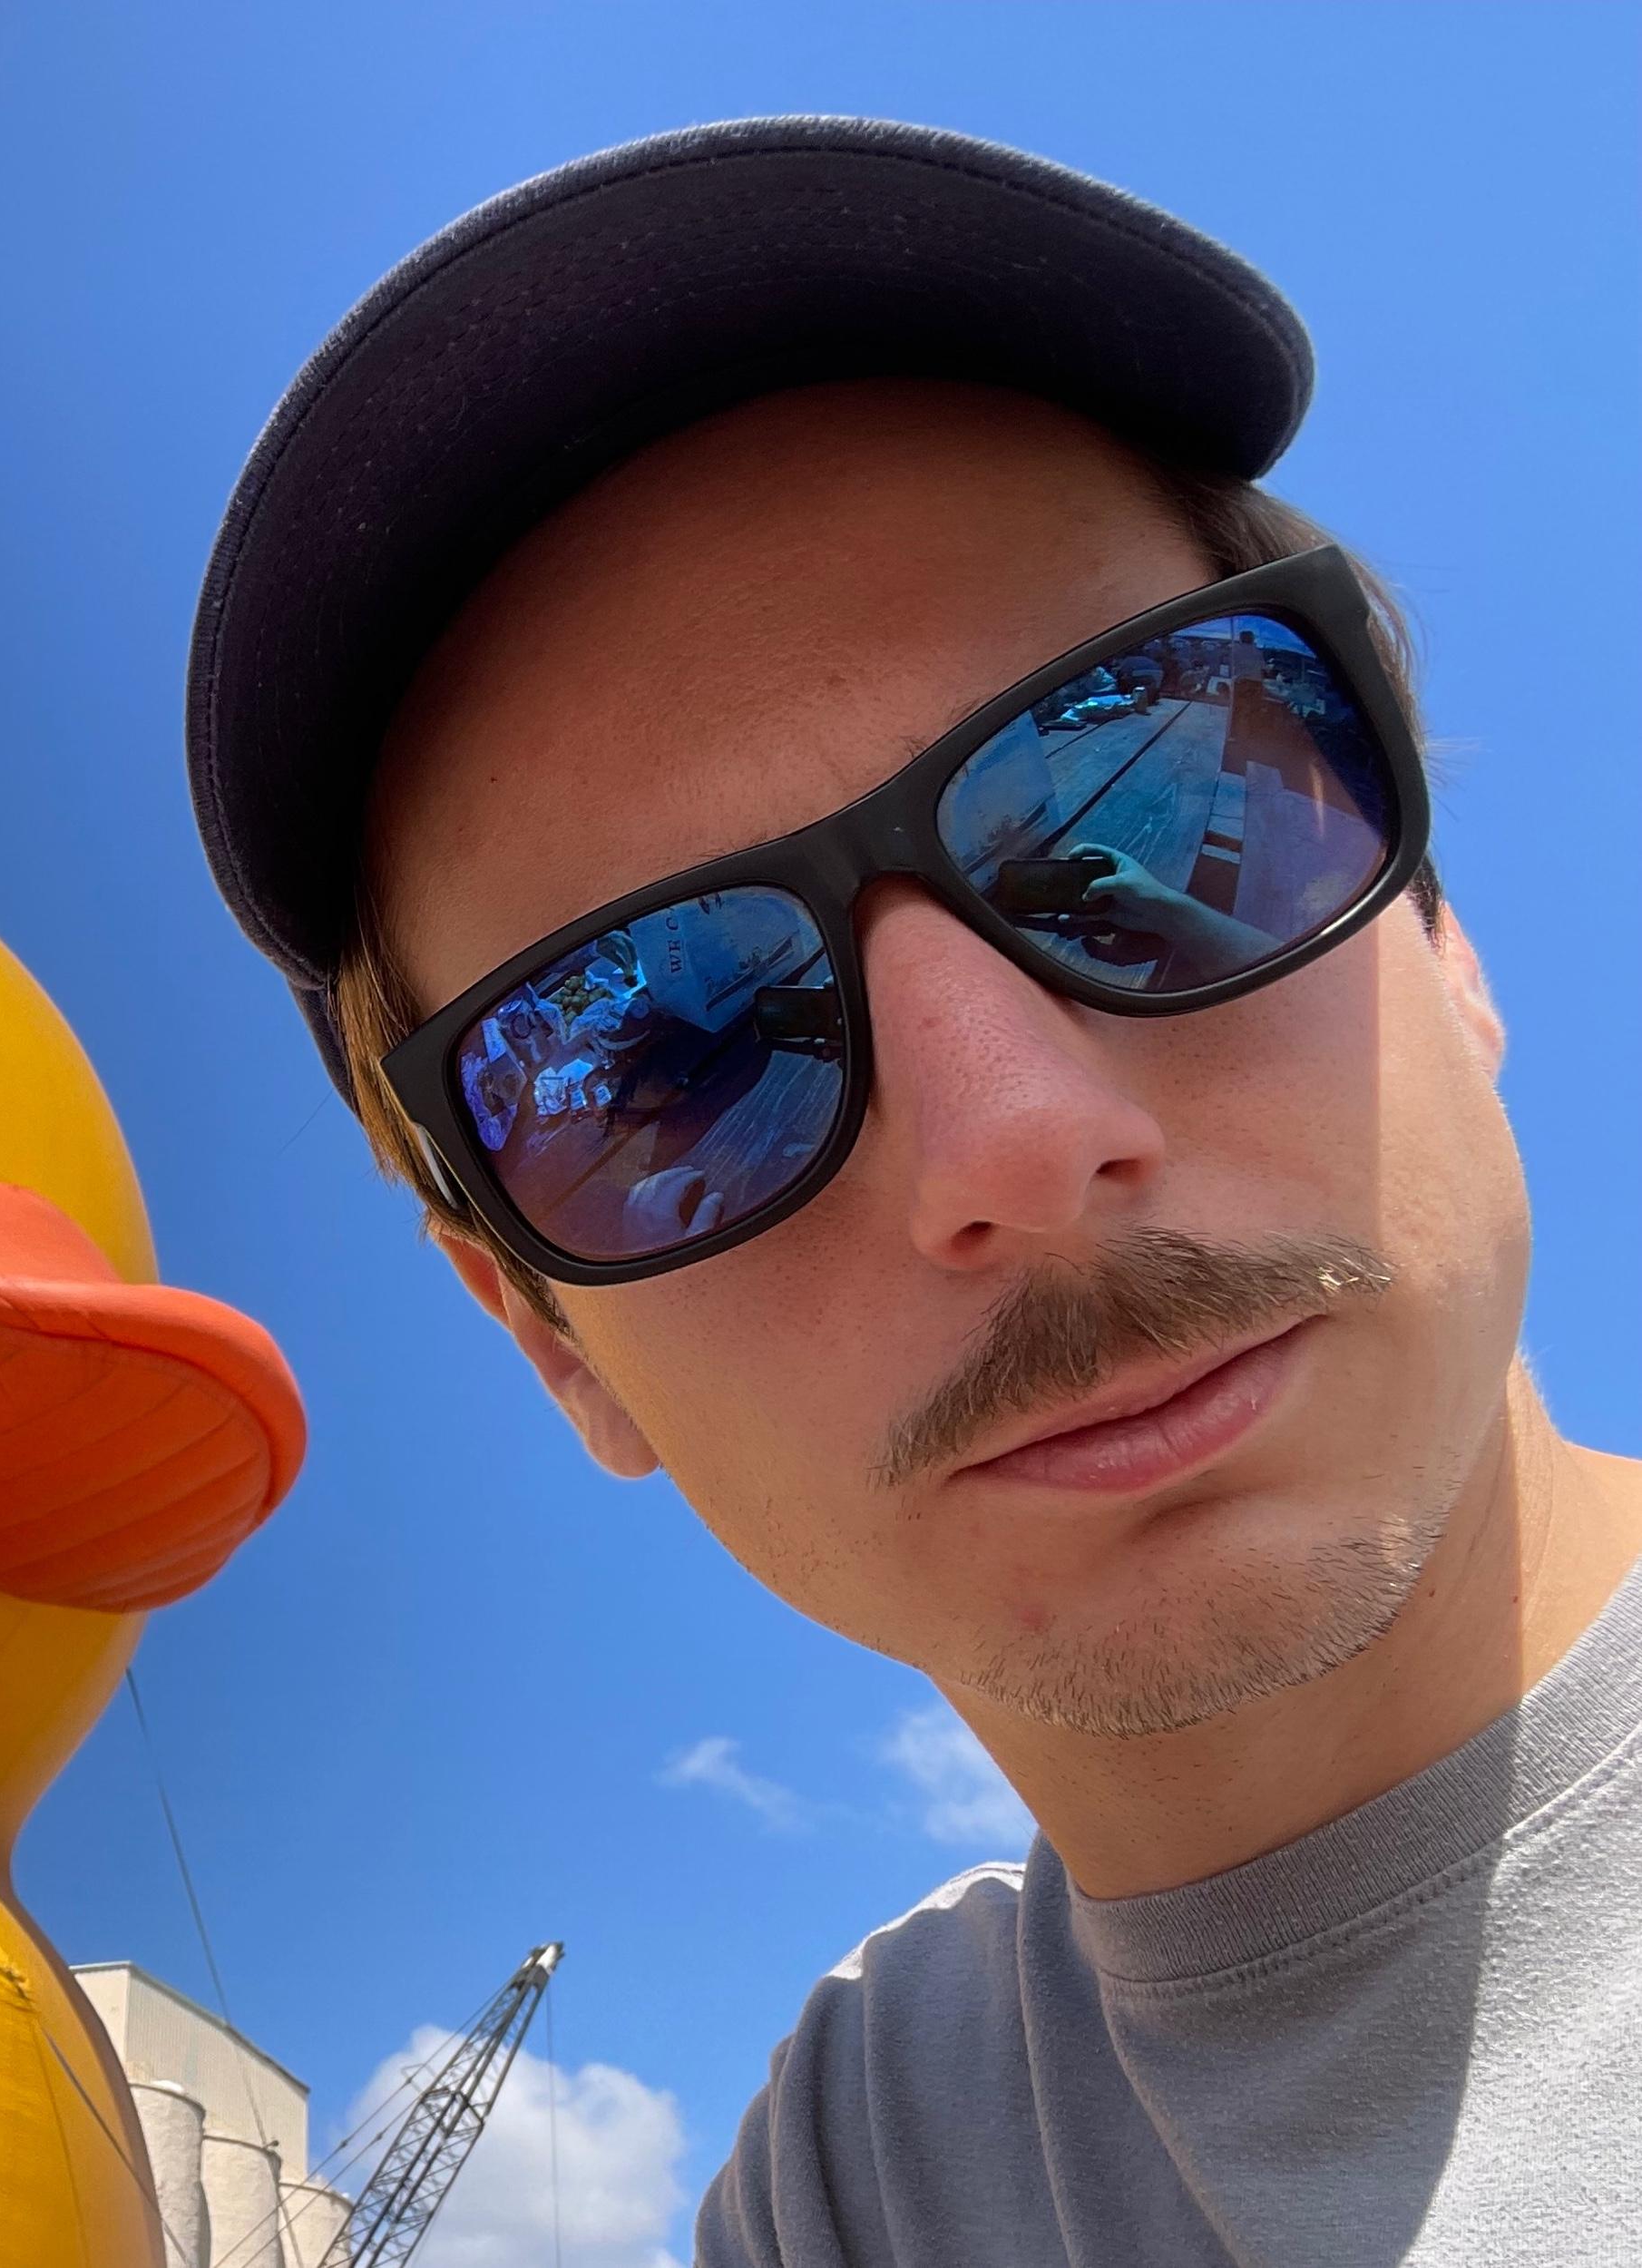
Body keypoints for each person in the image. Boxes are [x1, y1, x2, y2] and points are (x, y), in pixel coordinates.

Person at [184, 118, 1642, 2263]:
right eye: (668, 1062)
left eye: (1149, 820)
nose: (1012, 1143)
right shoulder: (863, 2160)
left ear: (1441, 934)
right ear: (549, 1345)